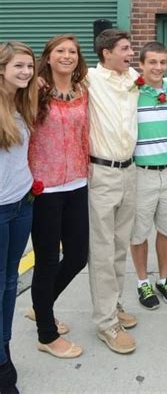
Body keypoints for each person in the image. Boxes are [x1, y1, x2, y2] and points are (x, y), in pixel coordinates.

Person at [27, 35, 89, 358]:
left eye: (72, 52)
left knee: (78, 255)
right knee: (48, 261)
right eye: (60, 51)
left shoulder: (83, 90)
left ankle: (41, 305)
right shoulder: (34, 90)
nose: (67, 56)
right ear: (48, 57)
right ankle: (46, 335)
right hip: (45, 188)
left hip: (78, 183)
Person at [87, 29, 139, 354]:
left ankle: (114, 303)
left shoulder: (133, 78)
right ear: (106, 53)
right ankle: (106, 324)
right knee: (102, 250)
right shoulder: (89, 79)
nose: (130, 53)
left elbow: (160, 79)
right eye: (125, 48)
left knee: (121, 246)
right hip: (102, 174)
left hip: (129, 171)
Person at [130, 42, 167, 310]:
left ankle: (164, 278)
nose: (158, 67)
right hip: (141, 173)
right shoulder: (130, 91)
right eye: (152, 62)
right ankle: (143, 282)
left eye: (163, 62)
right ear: (141, 64)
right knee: (138, 232)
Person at [0, 41, 37, 394]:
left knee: (11, 283)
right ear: (2, 69)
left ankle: (4, 348)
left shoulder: (21, 102)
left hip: (22, 204)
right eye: (18, 67)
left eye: (29, 66)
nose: (25, 72)